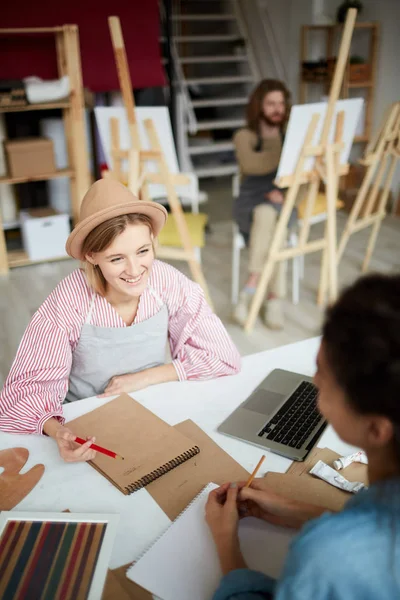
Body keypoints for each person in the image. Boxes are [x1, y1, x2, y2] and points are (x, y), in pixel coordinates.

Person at [0, 179, 241, 462]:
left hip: (153, 402)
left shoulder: (167, 281)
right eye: (116, 259)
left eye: (143, 251)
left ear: (152, 240)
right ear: (92, 256)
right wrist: (58, 432)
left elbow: (223, 356)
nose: (135, 270)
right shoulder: (69, 299)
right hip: (85, 418)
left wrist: (144, 378)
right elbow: (23, 392)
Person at [206, 273, 400, 599]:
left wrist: (226, 544)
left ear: (376, 429)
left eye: (323, 373)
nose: (313, 379)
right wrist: (296, 509)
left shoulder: (328, 558)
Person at [233, 79, 295, 330]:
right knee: (266, 216)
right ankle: (273, 299)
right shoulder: (244, 136)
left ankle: (251, 287)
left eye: (281, 103)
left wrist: (288, 197)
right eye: (271, 104)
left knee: (270, 217)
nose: (277, 109)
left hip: (282, 199)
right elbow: (252, 166)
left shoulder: (292, 133)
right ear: (259, 106)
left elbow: (302, 177)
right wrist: (288, 151)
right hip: (251, 198)